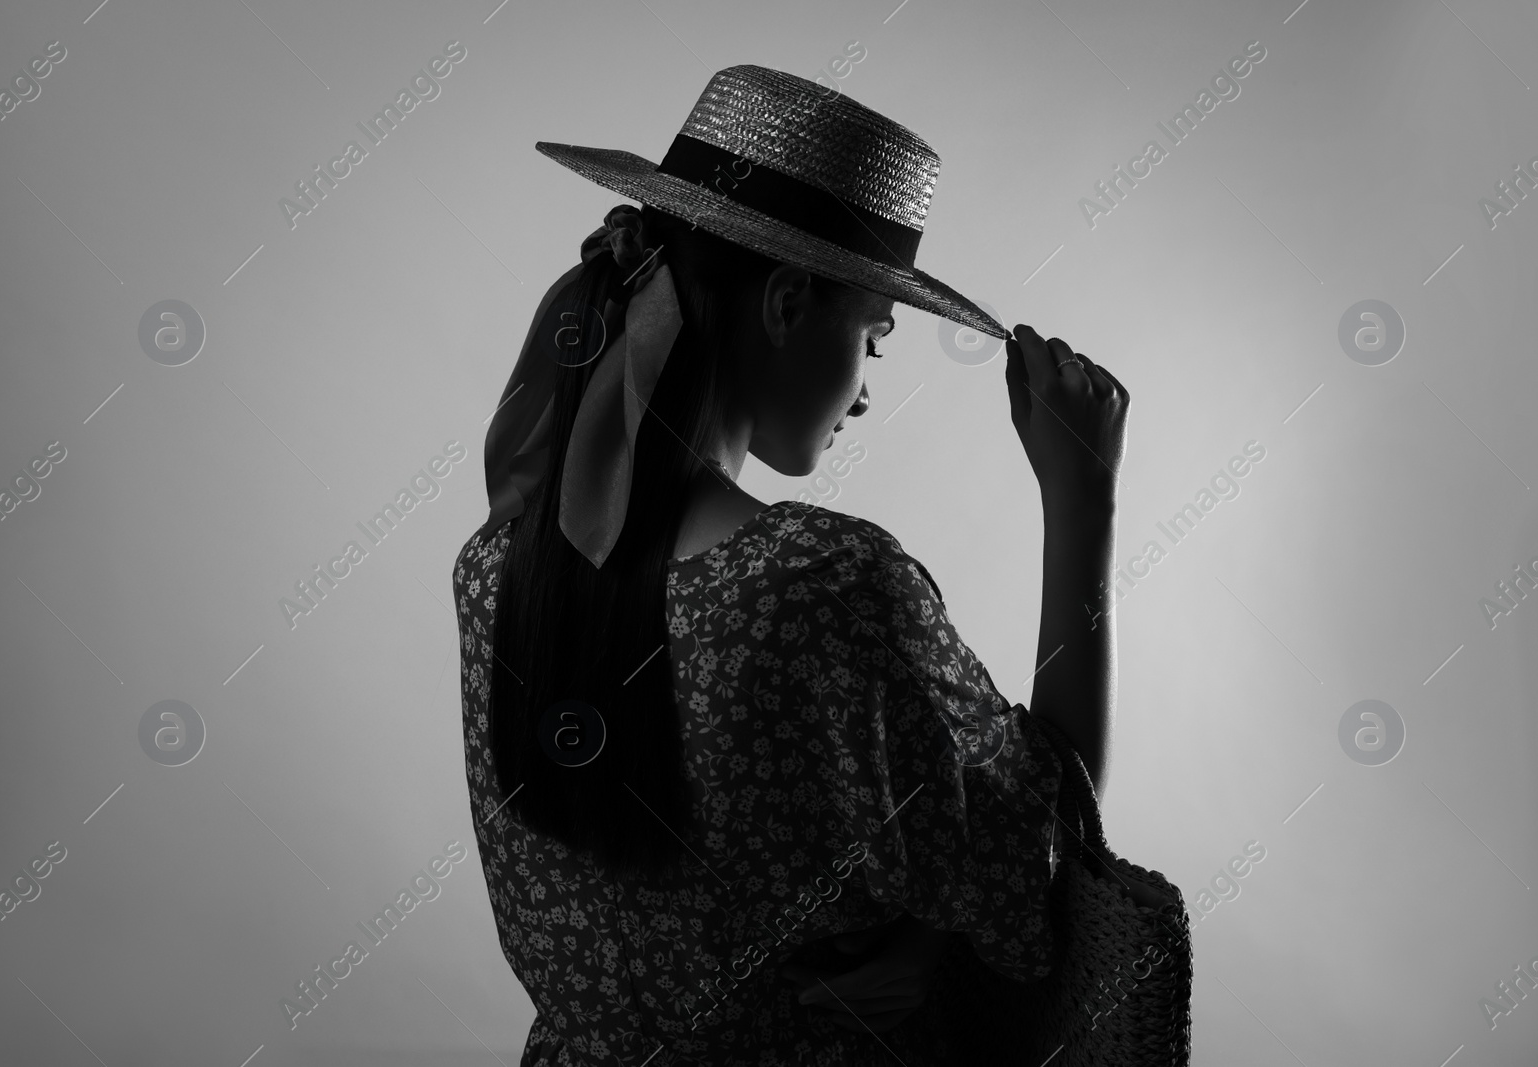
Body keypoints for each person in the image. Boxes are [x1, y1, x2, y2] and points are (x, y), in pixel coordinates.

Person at [454, 64, 1127, 1065]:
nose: (863, 390)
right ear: (784, 301)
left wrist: (920, 933)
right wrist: (1083, 502)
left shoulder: (497, 564)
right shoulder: (821, 583)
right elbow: (1042, 842)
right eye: (875, 338)